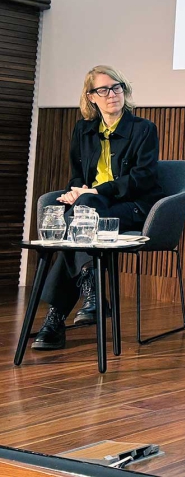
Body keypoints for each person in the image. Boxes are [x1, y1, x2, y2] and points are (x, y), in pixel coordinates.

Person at [32, 65, 163, 350]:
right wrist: (75, 191)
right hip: (92, 206)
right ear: (91, 97)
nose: (112, 94)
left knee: (79, 217)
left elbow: (143, 178)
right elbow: (77, 174)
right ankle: (90, 294)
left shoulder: (143, 129)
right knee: (81, 212)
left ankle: (58, 316)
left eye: (116, 87)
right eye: (103, 90)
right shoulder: (83, 130)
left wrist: (93, 192)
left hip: (132, 207)